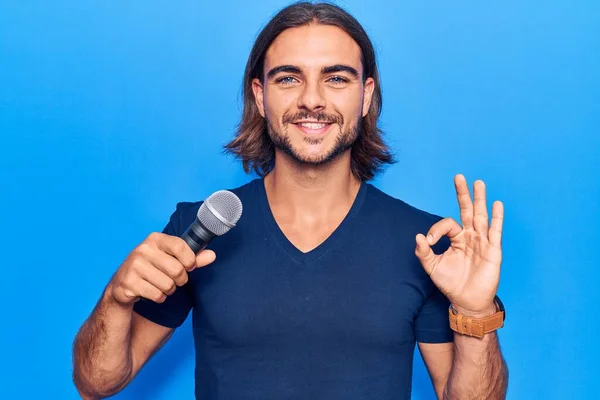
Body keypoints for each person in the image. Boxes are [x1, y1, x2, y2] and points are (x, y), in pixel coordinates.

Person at [72, 2, 508, 399]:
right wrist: (116, 297)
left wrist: (476, 313)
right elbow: (97, 381)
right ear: (261, 96)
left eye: (336, 79)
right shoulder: (200, 227)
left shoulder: (424, 244)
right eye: (288, 78)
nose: (312, 100)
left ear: (366, 95)